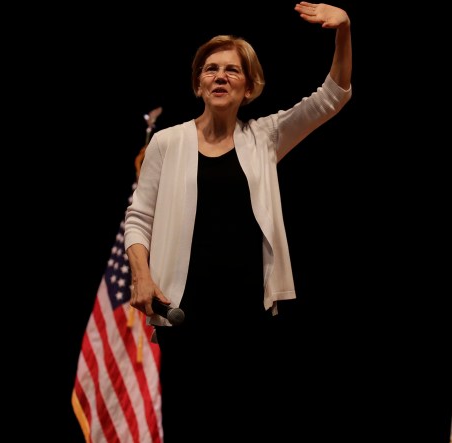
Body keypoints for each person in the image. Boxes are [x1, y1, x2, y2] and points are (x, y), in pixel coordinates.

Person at [124, 2, 352, 440]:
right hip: (185, 316)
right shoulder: (168, 142)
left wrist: (344, 29)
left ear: (249, 86)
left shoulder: (263, 137)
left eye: (232, 70)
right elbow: (139, 217)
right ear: (198, 84)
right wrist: (141, 276)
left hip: (251, 318)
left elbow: (332, 96)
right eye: (211, 69)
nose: (220, 76)